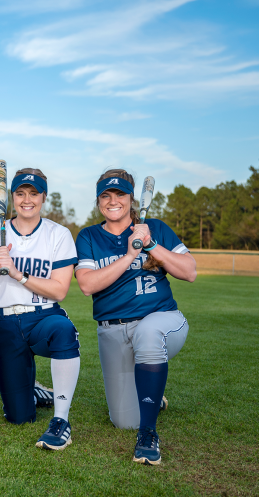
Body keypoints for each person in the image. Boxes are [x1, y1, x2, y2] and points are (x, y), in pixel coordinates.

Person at [75, 169, 195, 465]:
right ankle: (152, 397)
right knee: (123, 421)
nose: (113, 201)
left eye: (120, 194)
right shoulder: (89, 236)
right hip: (113, 330)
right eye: (106, 195)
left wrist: (151, 245)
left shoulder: (154, 227)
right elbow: (87, 285)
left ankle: (148, 434)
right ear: (98, 201)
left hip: (162, 321)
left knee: (148, 332)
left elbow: (189, 272)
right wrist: (130, 255)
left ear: (131, 199)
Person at [0, 169, 81, 451]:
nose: (27, 200)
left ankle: (61, 420)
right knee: (19, 417)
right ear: (12, 197)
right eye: (21, 193)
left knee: (64, 330)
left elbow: (59, 290)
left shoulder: (58, 234)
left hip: (43, 316)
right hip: (5, 323)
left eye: (34, 194)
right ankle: (33, 391)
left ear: (43, 197)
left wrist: (18, 274)